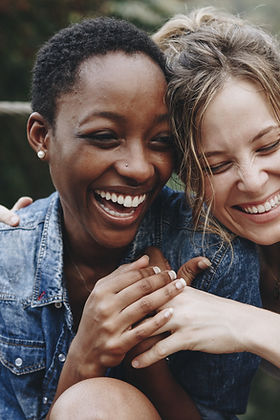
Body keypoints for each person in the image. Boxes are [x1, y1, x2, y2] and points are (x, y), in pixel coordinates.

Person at [0, 14, 260, 420]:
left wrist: (148, 354)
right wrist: (84, 358)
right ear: (41, 136)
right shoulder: (6, 261)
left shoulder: (215, 254)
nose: (140, 168)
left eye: (161, 141)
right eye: (105, 137)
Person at [129, 7, 280, 378]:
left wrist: (246, 325)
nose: (254, 181)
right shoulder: (200, 246)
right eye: (216, 165)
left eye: (270, 146)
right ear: (186, 177)